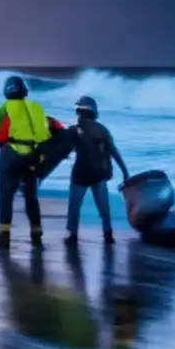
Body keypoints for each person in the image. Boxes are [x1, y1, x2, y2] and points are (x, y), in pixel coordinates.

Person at [0, 75, 51, 250]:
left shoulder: (3, 108)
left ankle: (4, 235)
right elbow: (43, 136)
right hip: (31, 157)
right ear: (24, 91)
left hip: (11, 155)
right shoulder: (36, 107)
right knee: (31, 197)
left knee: (5, 196)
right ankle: (36, 232)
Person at [65, 96, 129, 246]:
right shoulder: (102, 130)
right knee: (103, 207)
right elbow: (114, 152)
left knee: (74, 206)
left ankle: (72, 234)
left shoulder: (74, 129)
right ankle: (108, 234)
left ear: (79, 112)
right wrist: (125, 171)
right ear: (93, 112)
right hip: (99, 173)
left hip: (80, 173)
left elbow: (61, 152)